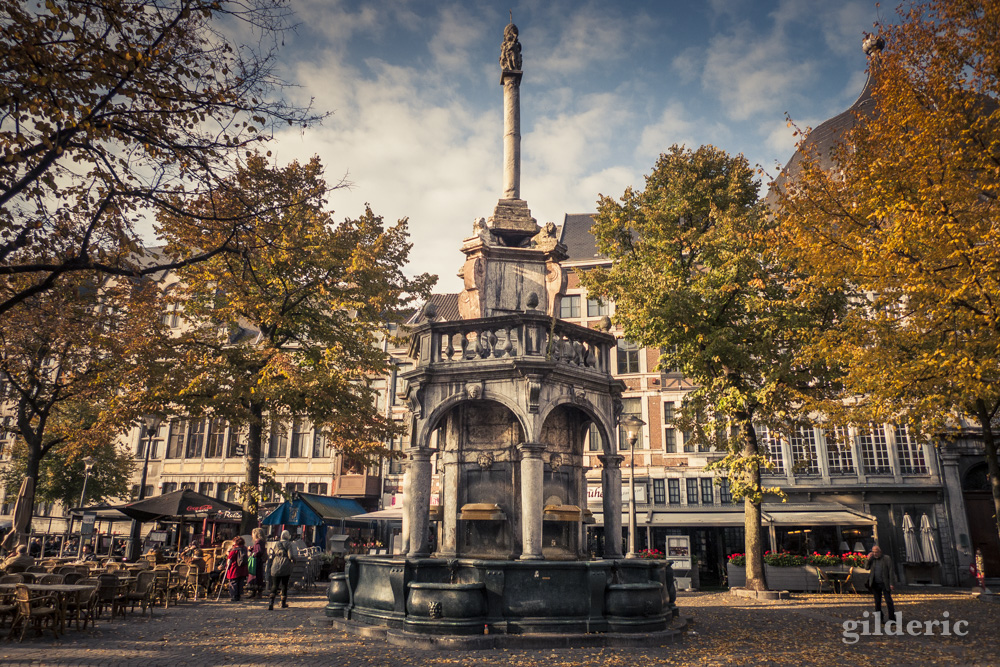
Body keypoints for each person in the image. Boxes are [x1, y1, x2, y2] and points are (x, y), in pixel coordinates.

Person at [865, 545, 896, 623]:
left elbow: (891, 571)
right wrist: (868, 559)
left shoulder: (886, 558)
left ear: (880, 552)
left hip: (885, 583)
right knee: (877, 602)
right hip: (875, 583)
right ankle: (880, 618)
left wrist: (891, 583)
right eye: (873, 552)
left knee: (888, 601)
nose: (875, 554)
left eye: (876, 552)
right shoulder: (872, 559)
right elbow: (866, 568)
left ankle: (892, 618)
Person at [268, 530, 295, 611]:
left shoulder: (277, 543)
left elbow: (273, 553)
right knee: (284, 585)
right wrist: (294, 560)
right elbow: (290, 556)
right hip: (285, 565)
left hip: (276, 565)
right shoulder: (288, 544)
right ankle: (283, 603)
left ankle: (271, 603)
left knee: (274, 585)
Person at [225, 536, 249, 603]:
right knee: (240, 582)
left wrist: (228, 553)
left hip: (234, 568)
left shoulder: (234, 550)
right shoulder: (244, 548)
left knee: (233, 583)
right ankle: (239, 595)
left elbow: (230, 559)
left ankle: (234, 596)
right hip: (242, 569)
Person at [247, 528, 267, 599]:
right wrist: (252, 549)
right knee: (258, 576)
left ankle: (255, 592)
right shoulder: (261, 542)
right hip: (259, 561)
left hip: (256, 562)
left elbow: (258, 551)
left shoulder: (258, 542)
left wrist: (253, 554)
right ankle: (256, 592)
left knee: (255, 576)